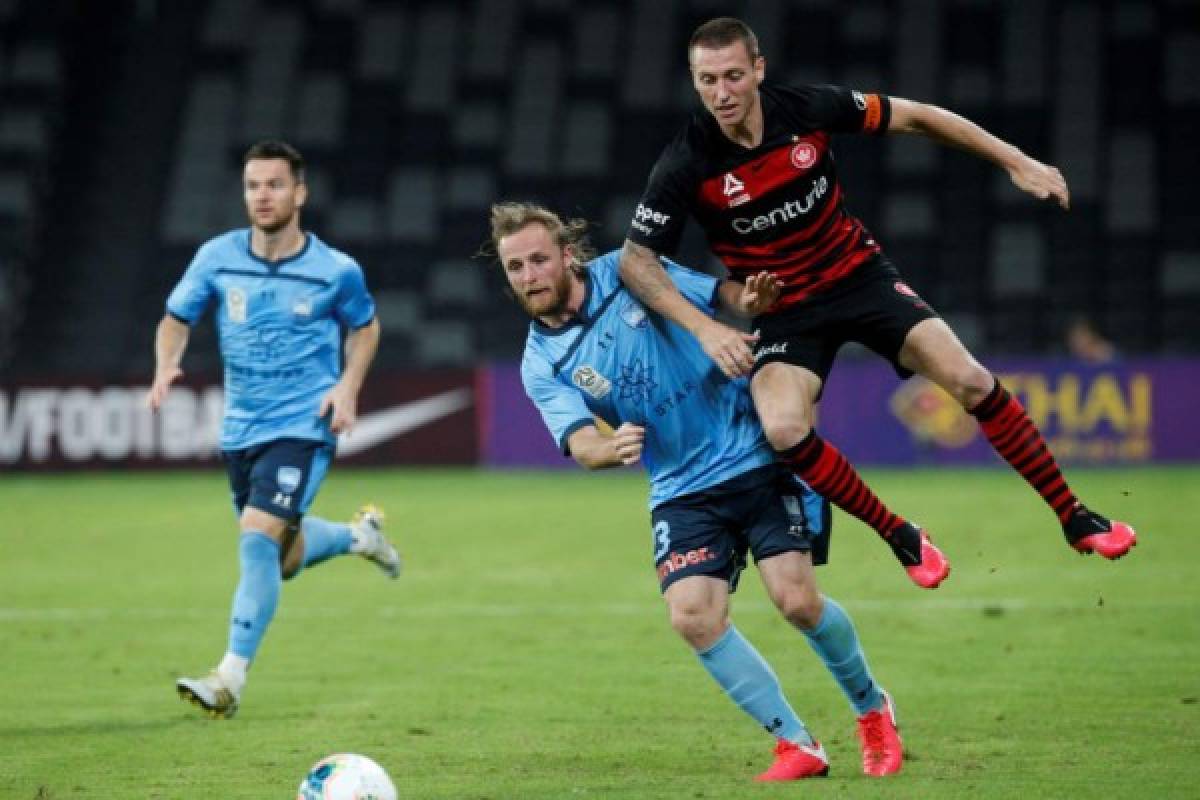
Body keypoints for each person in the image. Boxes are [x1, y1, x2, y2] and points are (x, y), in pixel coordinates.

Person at [617, 17, 1136, 586]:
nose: (722, 93)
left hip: (858, 275)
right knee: (784, 427)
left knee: (969, 380)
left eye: (734, 76)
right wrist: (705, 328)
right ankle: (901, 534)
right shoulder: (686, 162)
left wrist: (1018, 161)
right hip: (787, 310)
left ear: (758, 70)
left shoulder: (809, 109)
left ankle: (1073, 514)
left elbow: (919, 116)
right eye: (707, 79)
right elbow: (635, 262)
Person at [490, 201, 903, 780]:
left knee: (797, 601)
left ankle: (872, 711)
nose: (529, 276)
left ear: (567, 255)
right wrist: (610, 450)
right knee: (691, 616)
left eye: (538, 259)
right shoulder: (540, 362)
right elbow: (582, 444)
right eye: (515, 268)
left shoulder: (625, 270)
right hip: (680, 486)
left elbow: (718, 297)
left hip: (752, 451)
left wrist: (750, 304)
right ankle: (797, 744)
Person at [146, 140, 401, 719]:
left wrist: (347, 387)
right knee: (283, 559)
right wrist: (165, 364)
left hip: (305, 427)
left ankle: (228, 679)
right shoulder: (217, 257)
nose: (263, 195)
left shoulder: (335, 270)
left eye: (275, 184)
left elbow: (365, 327)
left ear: (299, 192)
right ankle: (361, 538)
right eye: (253, 185)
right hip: (241, 429)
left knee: (258, 539)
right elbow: (175, 318)